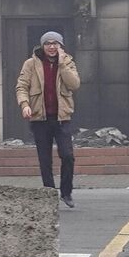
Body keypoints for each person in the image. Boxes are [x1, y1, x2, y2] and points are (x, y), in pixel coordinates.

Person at [16, 31, 80, 207]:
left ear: (60, 46)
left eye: (55, 43)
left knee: (67, 156)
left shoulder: (67, 62)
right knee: (45, 159)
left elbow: (74, 84)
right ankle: (49, 194)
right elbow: (21, 86)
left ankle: (66, 192)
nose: (52, 47)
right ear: (42, 46)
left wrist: (62, 65)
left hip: (62, 117)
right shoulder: (31, 64)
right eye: (48, 43)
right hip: (39, 119)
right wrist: (25, 104)